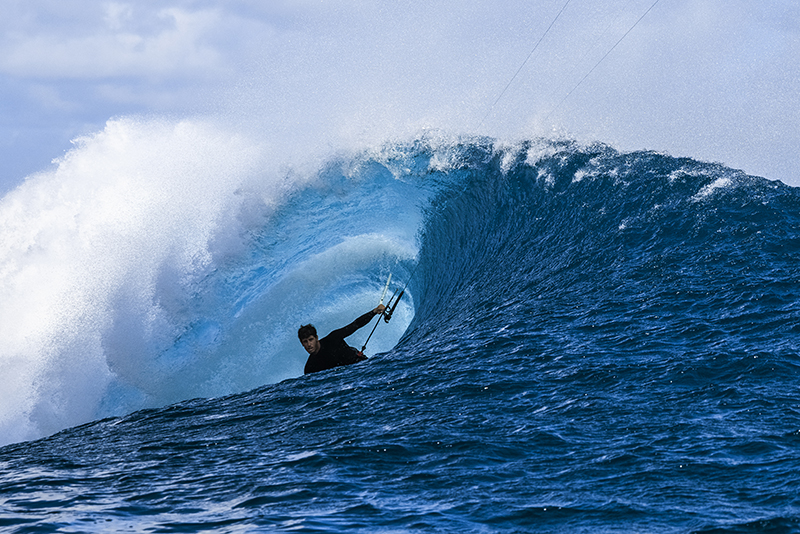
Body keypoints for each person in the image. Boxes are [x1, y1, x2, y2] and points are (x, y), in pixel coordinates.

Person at [299, 304, 386, 374]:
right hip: (347, 377)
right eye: (305, 342)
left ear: (316, 338)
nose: (309, 344)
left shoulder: (333, 338)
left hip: (360, 364)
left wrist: (374, 312)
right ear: (302, 344)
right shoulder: (310, 368)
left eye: (311, 340)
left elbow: (355, 325)